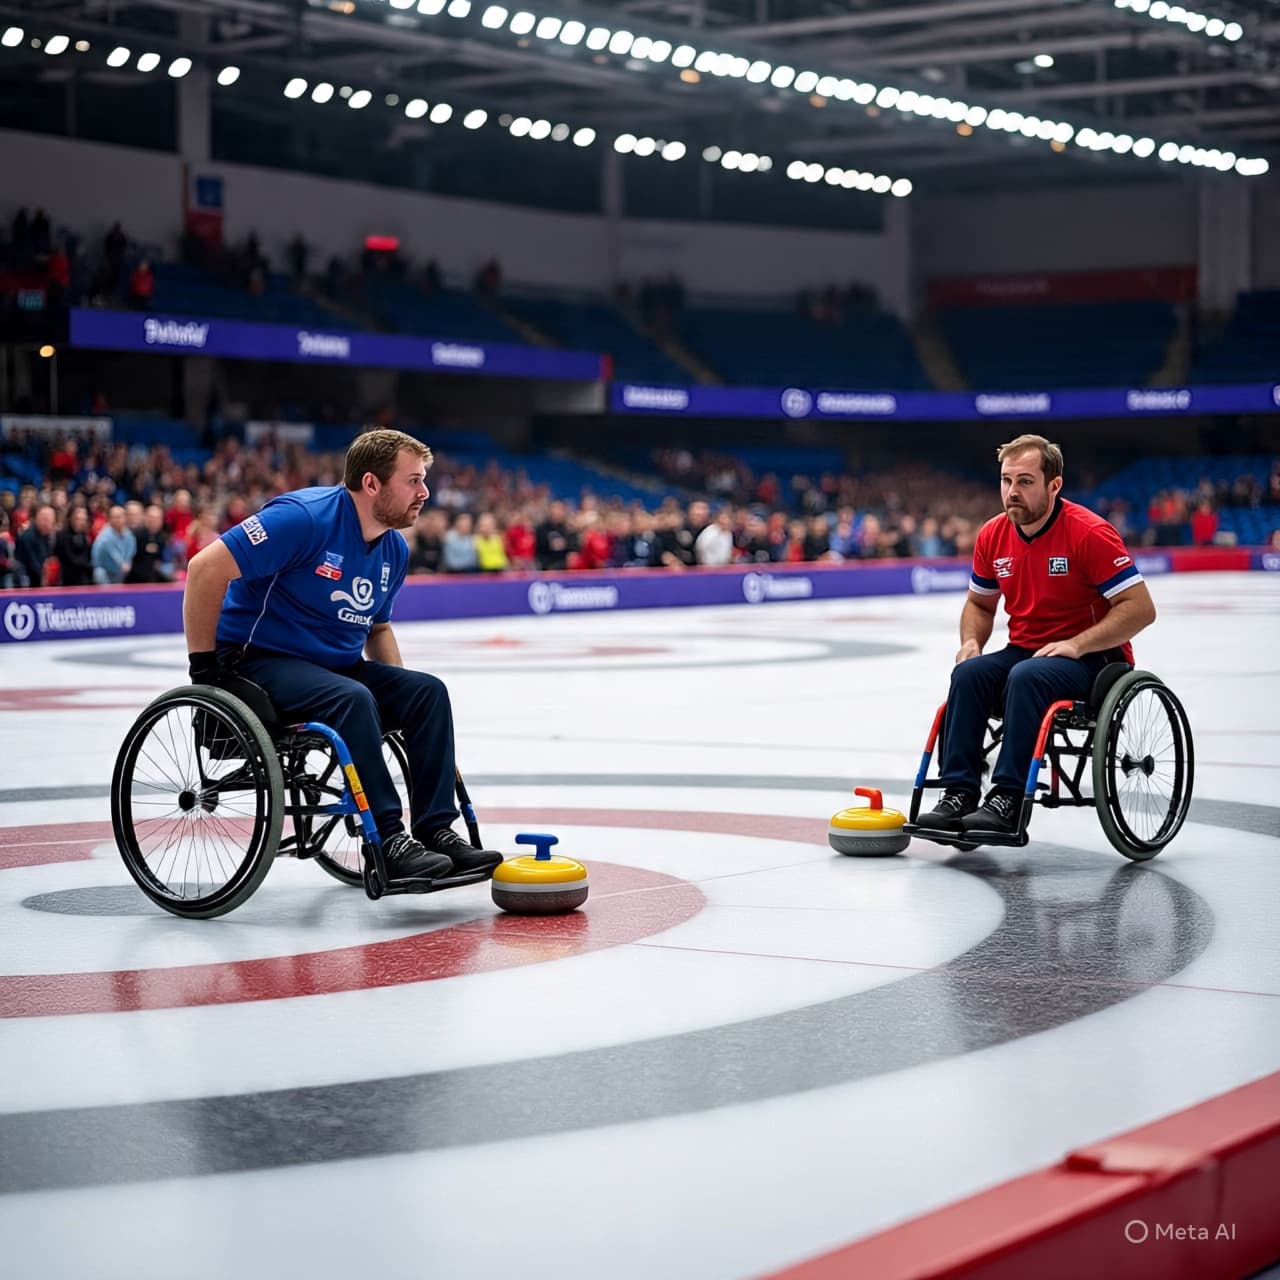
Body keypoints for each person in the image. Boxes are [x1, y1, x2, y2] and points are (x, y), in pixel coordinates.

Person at [182, 429, 502, 881]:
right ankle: (389, 840)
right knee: (351, 698)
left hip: (335, 665)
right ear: (372, 484)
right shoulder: (303, 518)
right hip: (259, 659)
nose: (425, 492)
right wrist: (205, 669)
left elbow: (379, 627)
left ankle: (436, 829)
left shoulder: (392, 546)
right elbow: (203, 568)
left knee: (427, 693)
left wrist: (407, 704)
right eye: (413, 481)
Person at [919, 434, 1157, 837]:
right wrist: (971, 642)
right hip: (1026, 650)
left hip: (1094, 659)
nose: (1012, 492)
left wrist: (1078, 643)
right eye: (1006, 480)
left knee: (1027, 676)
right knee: (969, 674)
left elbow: (1140, 608)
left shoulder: (1089, 533)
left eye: (1025, 482)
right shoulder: (993, 535)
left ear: (1054, 485)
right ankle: (958, 791)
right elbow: (979, 605)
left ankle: (1007, 799)